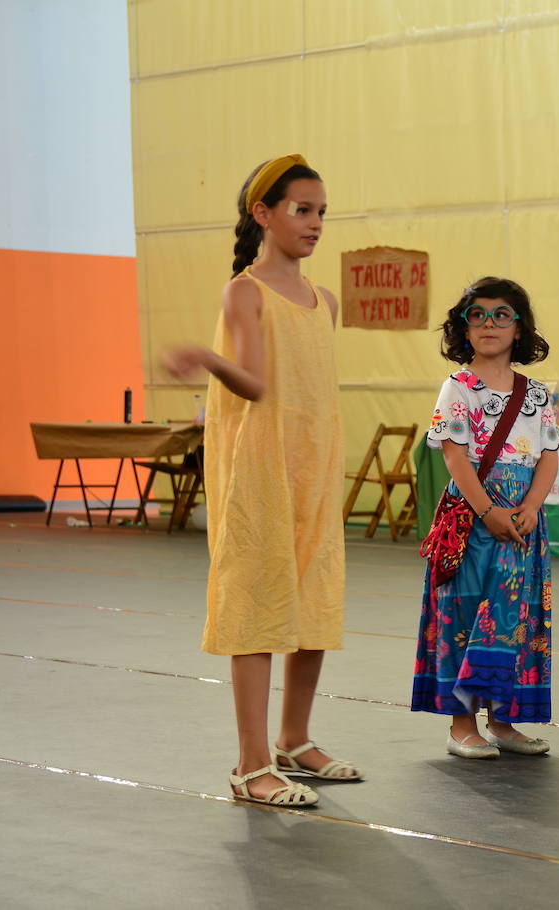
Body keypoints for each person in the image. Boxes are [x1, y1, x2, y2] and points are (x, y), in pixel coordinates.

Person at [163, 154, 361, 807]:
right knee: (258, 604)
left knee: (311, 599)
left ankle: (294, 739)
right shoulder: (245, 292)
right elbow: (255, 383)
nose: (315, 223)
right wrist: (207, 357)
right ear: (263, 214)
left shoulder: (324, 301)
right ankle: (250, 765)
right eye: (302, 210)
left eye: (322, 212)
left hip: (312, 469)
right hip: (260, 471)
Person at [413, 277, 559, 759]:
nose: (489, 324)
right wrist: (488, 511)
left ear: (520, 328)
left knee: (514, 619)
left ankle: (503, 720)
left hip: (522, 521)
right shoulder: (458, 386)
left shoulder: (536, 393)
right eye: (477, 315)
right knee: (465, 613)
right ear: (464, 326)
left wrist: (532, 506)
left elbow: (549, 457)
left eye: (502, 315)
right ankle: (461, 725)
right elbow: (454, 456)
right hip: (474, 518)